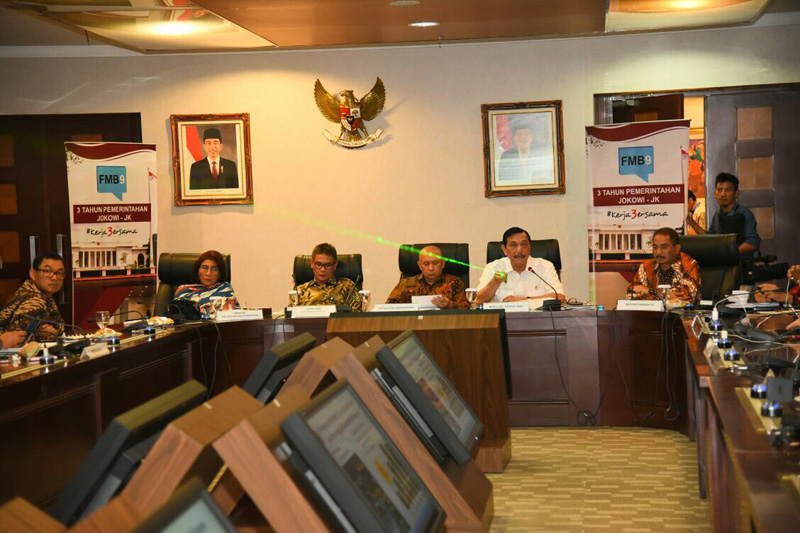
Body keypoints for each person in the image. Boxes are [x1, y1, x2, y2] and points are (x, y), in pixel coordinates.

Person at [476, 227, 564, 305]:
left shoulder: (545, 266)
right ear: (504, 249)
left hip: (538, 318)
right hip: (504, 318)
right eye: (513, 245)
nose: (519, 250)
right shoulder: (493, 268)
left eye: (524, 244)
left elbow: (560, 298)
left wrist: (521, 300)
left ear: (530, 247)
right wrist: (494, 282)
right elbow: (479, 302)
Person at [0, 252, 65, 348]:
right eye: (47, 271)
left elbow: (59, 325)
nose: (54, 277)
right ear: (32, 274)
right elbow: (19, 338)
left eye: (59, 273)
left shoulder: (44, 295)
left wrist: (52, 331)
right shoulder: (33, 299)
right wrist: (41, 334)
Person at [694, 173, 760, 257]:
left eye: (727, 190)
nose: (723, 194)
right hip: (722, 263)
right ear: (715, 194)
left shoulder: (744, 213)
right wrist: (692, 223)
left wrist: (730, 253)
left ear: (736, 193)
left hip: (741, 263)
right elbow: (709, 239)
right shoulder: (717, 214)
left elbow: (753, 243)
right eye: (719, 190)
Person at [629, 228, 701, 304]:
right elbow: (631, 294)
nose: (658, 252)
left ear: (676, 248)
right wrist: (666, 296)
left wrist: (648, 291)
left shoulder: (688, 264)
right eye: (655, 247)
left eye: (664, 247)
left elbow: (686, 297)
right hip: (652, 311)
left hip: (681, 311)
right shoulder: (646, 266)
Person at [386, 246, 469, 309]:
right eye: (426, 264)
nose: (431, 268)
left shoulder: (454, 282)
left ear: (443, 263)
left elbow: (467, 308)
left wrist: (450, 305)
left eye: (435, 263)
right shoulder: (406, 283)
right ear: (419, 265)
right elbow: (388, 308)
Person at [293, 243, 363, 312]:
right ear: (312, 263)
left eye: (328, 265)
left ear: (335, 265)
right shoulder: (300, 291)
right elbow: (291, 315)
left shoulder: (347, 286)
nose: (323, 269)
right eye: (318, 264)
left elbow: (357, 315)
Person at [173, 250, 239, 316]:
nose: (208, 273)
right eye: (205, 267)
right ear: (198, 271)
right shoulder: (183, 291)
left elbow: (235, 317)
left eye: (214, 269)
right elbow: (175, 316)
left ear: (220, 273)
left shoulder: (225, 289)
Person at [496, 117, 554, 185]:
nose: (523, 137)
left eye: (526, 133)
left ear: (531, 137)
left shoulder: (540, 155)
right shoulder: (506, 156)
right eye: (519, 134)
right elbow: (502, 182)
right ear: (514, 138)